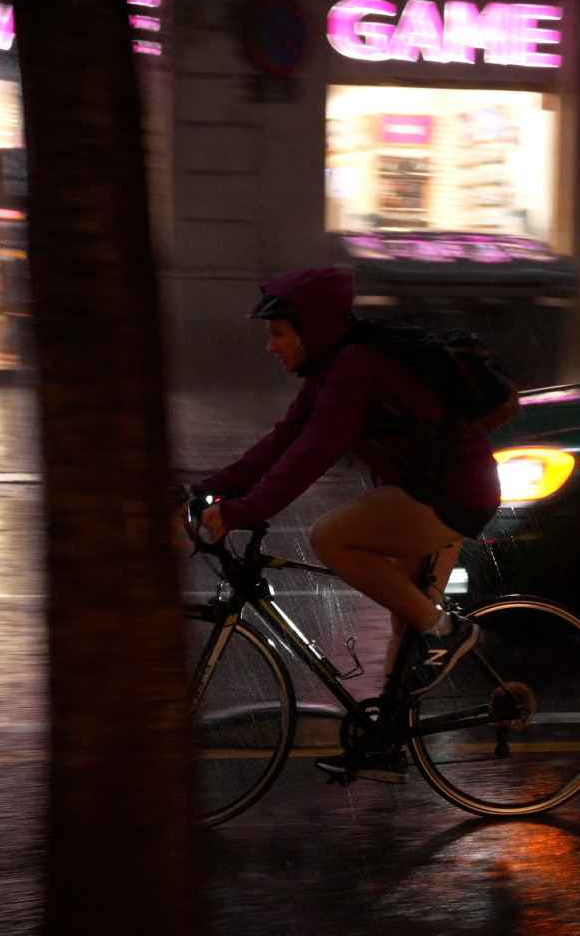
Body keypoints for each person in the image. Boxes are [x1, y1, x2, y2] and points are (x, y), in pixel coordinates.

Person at [192, 267, 502, 780]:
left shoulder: (353, 367)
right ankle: (385, 746)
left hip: (452, 495)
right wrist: (212, 486)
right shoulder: (331, 369)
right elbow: (282, 442)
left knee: (330, 538)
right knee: (406, 621)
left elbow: (313, 452)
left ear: (309, 329)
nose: (270, 346)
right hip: (424, 489)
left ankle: (449, 631)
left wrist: (243, 511)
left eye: (277, 332)